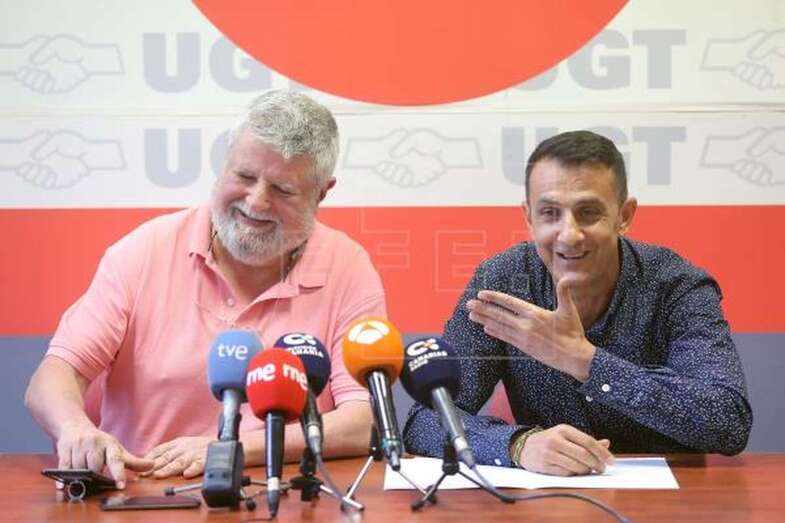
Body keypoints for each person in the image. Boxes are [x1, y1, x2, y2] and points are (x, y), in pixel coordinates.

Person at [25, 90, 382, 488]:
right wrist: (75, 428)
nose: (256, 202)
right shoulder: (145, 251)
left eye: (282, 190)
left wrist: (229, 448)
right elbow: (54, 375)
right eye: (244, 177)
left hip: (282, 498)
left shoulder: (348, 267)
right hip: (142, 495)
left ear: (321, 193)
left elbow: (361, 421)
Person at [403, 130, 752, 476]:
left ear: (624, 215)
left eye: (588, 212)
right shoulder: (503, 281)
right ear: (528, 217)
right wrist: (517, 445)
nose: (569, 234)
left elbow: (727, 421)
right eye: (550, 213)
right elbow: (426, 419)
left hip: (673, 503)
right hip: (549, 501)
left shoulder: (677, 286)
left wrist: (585, 361)